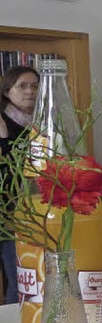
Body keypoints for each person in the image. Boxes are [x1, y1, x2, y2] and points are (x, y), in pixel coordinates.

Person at [0, 65, 39, 304]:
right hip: (6, 210)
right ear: (7, 91)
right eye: (22, 86)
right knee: (18, 277)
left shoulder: (39, 122)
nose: (30, 91)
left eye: (34, 86)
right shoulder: (3, 121)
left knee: (28, 276)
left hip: (31, 208)